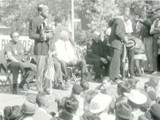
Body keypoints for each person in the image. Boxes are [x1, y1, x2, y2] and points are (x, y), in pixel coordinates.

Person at [29, 4, 54, 91]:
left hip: (48, 48)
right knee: (40, 70)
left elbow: (51, 33)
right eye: (46, 10)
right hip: (40, 48)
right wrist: (43, 36)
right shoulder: (35, 20)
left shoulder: (48, 20)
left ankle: (47, 87)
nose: (48, 12)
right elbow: (31, 35)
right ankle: (39, 89)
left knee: (48, 70)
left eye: (48, 10)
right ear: (40, 11)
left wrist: (49, 35)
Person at [108, 8, 126, 83]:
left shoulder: (114, 21)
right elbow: (118, 32)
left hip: (113, 43)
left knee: (116, 61)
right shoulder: (120, 21)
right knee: (115, 61)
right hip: (117, 43)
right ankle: (112, 78)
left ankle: (115, 77)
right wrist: (124, 39)